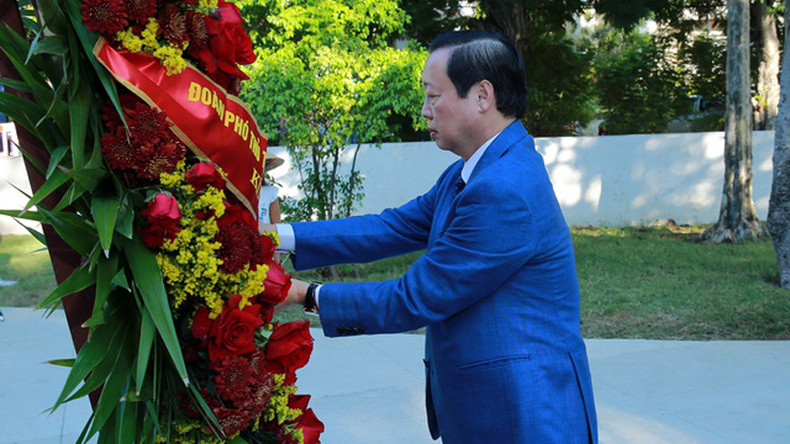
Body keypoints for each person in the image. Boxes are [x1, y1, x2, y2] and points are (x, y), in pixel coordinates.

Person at [262, 31, 597, 443]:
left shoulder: (503, 188)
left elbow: (416, 297)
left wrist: (302, 294)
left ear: (482, 95)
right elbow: (394, 226)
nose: (424, 111)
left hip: (524, 414)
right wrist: (275, 235)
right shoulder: (475, 170)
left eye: (433, 96)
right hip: (496, 407)